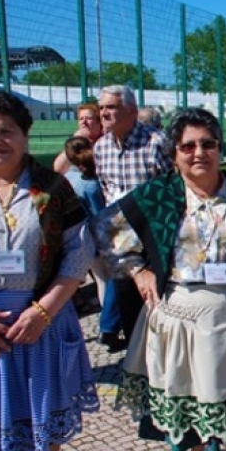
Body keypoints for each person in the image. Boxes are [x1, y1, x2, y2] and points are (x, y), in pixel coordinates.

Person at [92, 108, 226, 451]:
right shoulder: (158, 194)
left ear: (218, 147)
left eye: (208, 144)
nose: (199, 153)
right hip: (179, 316)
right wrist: (137, 270)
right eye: (188, 146)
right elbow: (105, 226)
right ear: (174, 152)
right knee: (195, 411)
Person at [0, 91, 99, 451]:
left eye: (7, 131)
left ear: (25, 135)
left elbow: (79, 249)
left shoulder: (52, 187)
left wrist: (45, 310)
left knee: (41, 416)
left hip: (42, 323)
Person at [94, 85, 173, 351]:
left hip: (154, 239)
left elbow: (174, 190)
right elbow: (106, 190)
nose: (104, 113)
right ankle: (137, 367)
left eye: (111, 107)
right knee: (128, 306)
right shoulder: (101, 147)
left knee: (159, 306)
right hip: (120, 241)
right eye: (102, 107)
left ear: (131, 111)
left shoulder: (156, 143)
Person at [63, 135, 108, 313]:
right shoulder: (91, 184)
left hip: (78, 238)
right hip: (97, 238)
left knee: (99, 279)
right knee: (106, 280)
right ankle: (109, 319)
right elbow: (100, 214)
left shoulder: (66, 179)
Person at [53, 103, 104, 175]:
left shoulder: (106, 140)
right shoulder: (77, 142)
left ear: (99, 122)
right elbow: (58, 169)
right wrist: (75, 140)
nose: (83, 122)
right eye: (81, 119)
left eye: (88, 118)